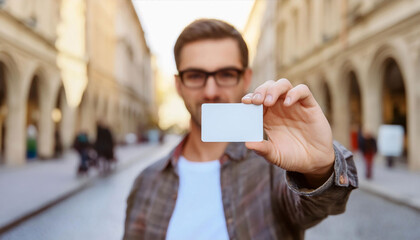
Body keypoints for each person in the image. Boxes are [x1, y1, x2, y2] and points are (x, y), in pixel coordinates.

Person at [124, 19, 358, 240]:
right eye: (195, 75)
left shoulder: (273, 169)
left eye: (226, 74)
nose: (211, 91)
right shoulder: (147, 182)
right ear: (178, 84)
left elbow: (324, 204)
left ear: (246, 78)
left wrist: (319, 168)